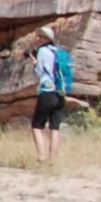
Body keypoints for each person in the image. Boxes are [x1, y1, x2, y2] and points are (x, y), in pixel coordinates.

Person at [29, 27, 77, 164]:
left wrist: (34, 62)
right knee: (55, 127)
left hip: (47, 92)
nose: (38, 39)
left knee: (37, 126)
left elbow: (39, 73)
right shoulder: (58, 51)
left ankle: (41, 157)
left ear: (46, 39)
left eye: (40, 36)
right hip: (60, 93)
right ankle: (53, 160)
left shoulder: (43, 51)